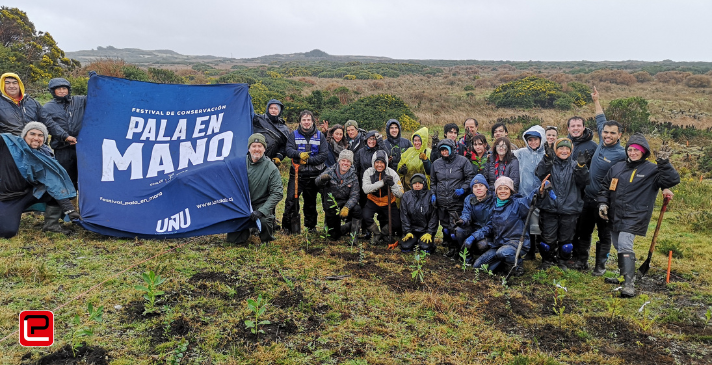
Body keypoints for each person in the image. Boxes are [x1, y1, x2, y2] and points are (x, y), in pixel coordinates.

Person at [598, 134, 679, 298]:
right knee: (617, 245)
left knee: (624, 245)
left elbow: (672, 179)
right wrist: (603, 203)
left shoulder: (652, 170)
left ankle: (629, 284)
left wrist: (663, 163)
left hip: (635, 215)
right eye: (630, 149)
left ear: (644, 152)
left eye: (636, 150)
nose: (632, 152)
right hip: (614, 214)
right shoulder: (617, 167)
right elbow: (605, 187)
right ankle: (623, 276)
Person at [571, 87, 627, 273]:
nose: (608, 135)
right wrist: (596, 101)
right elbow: (600, 119)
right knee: (583, 231)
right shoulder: (602, 143)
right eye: (605, 132)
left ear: (620, 135)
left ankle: (600, 266)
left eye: (612, 133)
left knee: (604, 235)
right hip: (588, 198)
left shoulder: (621, 154)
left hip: (606, 202)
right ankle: (581, 261)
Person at [1, 122, 79, 238]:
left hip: (24, 196)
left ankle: (51, 226)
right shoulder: (7, 143)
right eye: (32, 134)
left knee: (52, 188)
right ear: (24, 135)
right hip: (4, 197)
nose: (36, 138)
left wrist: (70, 211)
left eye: (40, 135)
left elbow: (54, 183)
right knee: (8, 231)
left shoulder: (44, 156)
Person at [472, 176, 547, 276]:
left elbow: (530, 199)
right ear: (496, 191)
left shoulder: (518, 204)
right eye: (500, 188)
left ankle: (517, 266)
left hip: (515, 243)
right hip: (499, 243)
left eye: (506, 188)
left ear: (511, 191)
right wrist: (474, 236)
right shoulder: (494, 206)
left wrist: (540, 190)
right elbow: (489, 226)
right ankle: (504, 264)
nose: (503, 191)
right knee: (477, 266)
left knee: (503, 253)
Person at [535, 138, 590, 270]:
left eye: (567, 149)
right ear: (555, 150)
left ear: (571, 151)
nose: (564, 151)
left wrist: (581, 168)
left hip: (569, 210)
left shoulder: (576, 165)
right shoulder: (549, 163)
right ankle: (547, 261)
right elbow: (539, 173)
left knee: (566, 242)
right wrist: (547, 159)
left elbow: (584, 181)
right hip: (549, 207)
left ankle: (563, 261)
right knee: (547, 240)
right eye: (560, 148)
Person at [42, 78, 86, 232]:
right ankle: (53, 221)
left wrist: (96, 82)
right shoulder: (48, 107)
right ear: (52, 91)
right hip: (62, 149)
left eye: (64, 88)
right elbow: (50, 125)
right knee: (62, 183)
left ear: (69, 89)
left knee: (85, 183)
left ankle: (86, 216)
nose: (62, 91)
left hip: (83, 149)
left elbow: (97, 98)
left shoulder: (80, 101)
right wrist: (65, 136)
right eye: (58, 89)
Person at [227, 134, 283, 244]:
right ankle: (248, 230)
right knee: (233, 240)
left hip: (261, 205)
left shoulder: (271, 168)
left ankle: (266, 237)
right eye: (254, 146)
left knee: (264, 221)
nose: (256, 149)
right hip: (243, 204)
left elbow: (277, 193)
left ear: (264, 149)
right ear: (249, 148)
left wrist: (262, 211)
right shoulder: (240, 163)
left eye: (260, 146)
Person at [282, 110, 328, 234]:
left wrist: (307, 161)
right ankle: (287, 227)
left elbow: (324, 155)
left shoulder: (320, 136)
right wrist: (298, 154)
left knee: (310, 202)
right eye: (304, 120)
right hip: (297, 174)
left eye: (309, 120)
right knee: (291, 200)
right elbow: (288, 150)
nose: (306, 122)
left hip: (314, 175)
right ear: (300, 121)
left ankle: (311, 226)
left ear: (313, 121)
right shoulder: (293, 135)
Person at [430, 139, 476, 257]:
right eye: (442, 150)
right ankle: (451, 249)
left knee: (454, 228)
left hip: (456, 201)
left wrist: (463, 189)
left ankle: (459, 250)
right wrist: (433, 194)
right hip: (441, 202)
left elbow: (469, 177)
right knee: (445, 227)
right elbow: (433, 181)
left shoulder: (463, 161)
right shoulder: (436, 164)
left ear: (452, 149)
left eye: (446, 149)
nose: (444, 152)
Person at [513, 125, 546, 260]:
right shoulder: (521, 153)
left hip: (542, 194)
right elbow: (506, 153)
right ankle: (530, 252)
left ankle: (545, 254)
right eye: (530, 140)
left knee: (542, 224)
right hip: (525, 194)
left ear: (541, 139)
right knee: (527, 224)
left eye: (535, 139)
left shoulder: (546, 155)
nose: (533, 142)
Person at [315, 149, 362, 241]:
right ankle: (339, 229)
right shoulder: (330, 170)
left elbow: (355, 194)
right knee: (334, 236)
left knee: (358, 210)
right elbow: (317, 182)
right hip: (332, 203)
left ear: (351, 163)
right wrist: (322, 179)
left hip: (345, 202)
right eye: (343, 160)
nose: (345, 163)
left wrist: (347, 207)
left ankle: (354, 235)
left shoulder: (353, 176)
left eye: (348, 161)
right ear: (339, 161)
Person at [362, 150, 404, 245]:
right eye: (377, 162)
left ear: (386, 163)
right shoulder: (368, 172)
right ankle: (376, 234)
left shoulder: (392, 173)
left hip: (388, 201)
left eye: (382, 162)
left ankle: (383, 234)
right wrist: (382, 182)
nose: (379, 165)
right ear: (373, 163)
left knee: (397, 223)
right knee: (365, 216)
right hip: (373, 200)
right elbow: (366, 189)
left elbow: (400, 193)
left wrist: (392, 184)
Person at [455, 174, 495, 265]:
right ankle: (467, 257)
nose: (478, 188)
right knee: (459, 231)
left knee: (482, 245)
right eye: (475, 186)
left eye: (481, 185)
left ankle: (483, 259)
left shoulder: (494, 201)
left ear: (486, 188)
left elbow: (491, 226)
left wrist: (474, 236)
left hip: (489, 233)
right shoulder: (469, 199)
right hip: (474, 228)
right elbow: (466, 214)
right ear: (472, 189)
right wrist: (462, 221)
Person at [399, 173, 438, 253]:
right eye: (415, 183)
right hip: (411, 230)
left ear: (424, 184)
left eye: (420, 183)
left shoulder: (430, 196)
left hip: (425, 231)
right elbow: (404, 215)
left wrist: (430, 232)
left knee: (425, 248)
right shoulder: (406, 196)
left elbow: (434, 216)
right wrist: (407, 231)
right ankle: (412, 240)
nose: (417, 185)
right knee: (405, 247)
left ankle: (429, 243)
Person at [251, 99, 291, 166]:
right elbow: (246, 115)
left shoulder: (283, 128)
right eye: (271, 108)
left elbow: (284, 146)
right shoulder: (258, 119)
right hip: (253, 158)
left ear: (279, 111)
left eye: (275, 109)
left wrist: (279, 156)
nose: (273, 110)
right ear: (267, 109)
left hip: (270, 163)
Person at [396, 127, 432, 191]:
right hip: (408, 188)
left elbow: (431, 172)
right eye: (415, 140)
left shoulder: (429, 153)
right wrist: (401, 170)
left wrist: (426, 161)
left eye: (419, 140)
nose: (416, 143)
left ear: (423, 141)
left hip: (423, 188)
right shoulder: (409, 151)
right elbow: (399, 169)